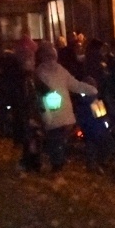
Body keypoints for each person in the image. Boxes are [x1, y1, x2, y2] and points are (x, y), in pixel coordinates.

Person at [34, 43, 98, 171]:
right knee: (59, 141)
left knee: (54, 142)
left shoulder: (39, 73)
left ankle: (57, 165)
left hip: (51, 115)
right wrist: (92, 90)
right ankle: (59, 161)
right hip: (67, 115)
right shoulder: (61, 70)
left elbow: (39, 96)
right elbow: (75, 85)